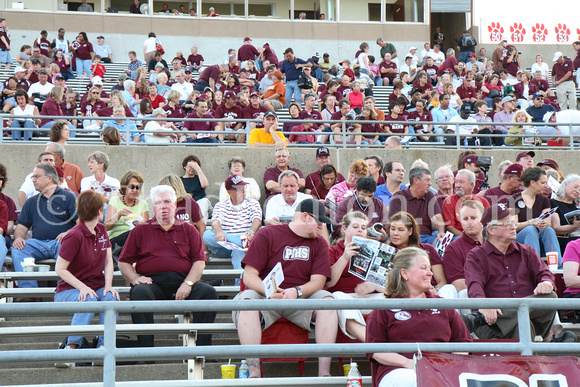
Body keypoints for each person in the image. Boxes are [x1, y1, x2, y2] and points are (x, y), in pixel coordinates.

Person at [233, 198, 337, 378]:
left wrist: (296, 291)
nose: (321, 227)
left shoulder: (319, 242)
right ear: (305, 216)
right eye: (319, 222)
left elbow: (319, 281)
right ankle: (254, 373)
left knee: (328, 302)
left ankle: (324, 374)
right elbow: (249, 276)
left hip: (301, 299)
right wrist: (268, 291)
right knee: (247, 303)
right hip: (266, 297)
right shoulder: (268, 233)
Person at [119, 185, 218, 347]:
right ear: (153, 207)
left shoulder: (189, 230)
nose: (163, 206)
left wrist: (188, 283)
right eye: (158, 203)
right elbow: (123, 262)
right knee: (139, 293)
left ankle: (203, 350)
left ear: (175, 205)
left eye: (167, 202)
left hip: (183, 282)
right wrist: (135, 278)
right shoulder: (140, 230)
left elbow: (199, 262)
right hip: (152, 284)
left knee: (209, 293)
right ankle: (146, 352)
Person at [366, 246, 472, 387]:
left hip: (441, 370)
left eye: (430, 268)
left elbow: (463, 342)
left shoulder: (443, 305)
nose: (430, 274)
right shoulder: (384, 310)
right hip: (399, 371)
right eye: (423, 268)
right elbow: (375, 350)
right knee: (414, 381)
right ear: (405, 274)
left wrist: (447, 364)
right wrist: (410, 363)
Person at [465, 203, 558, 340]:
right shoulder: (476, 256)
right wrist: (483, 305)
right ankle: (533, 361)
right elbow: (474, 285)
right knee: (522, 323)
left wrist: (546, 281)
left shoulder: (527, 251)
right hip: (491, 323)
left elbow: (545, 273)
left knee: (551, 297)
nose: (513, 227)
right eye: (507, 224)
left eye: (513, 222)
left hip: (502, 319)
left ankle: (480, 319)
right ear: (491, 230)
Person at [54, 190, 118, 367]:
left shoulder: (102, 229)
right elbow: (60, 268)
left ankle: (103, 349)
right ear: (99, 212)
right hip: (68, 291)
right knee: (88, 298)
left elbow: (108, 262)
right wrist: (82, 288)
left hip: (96, 287)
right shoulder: (74, 235)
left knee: (112, 298)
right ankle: (71, 349)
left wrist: (109, 286)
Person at [12, 164, 78, 289]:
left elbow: (82, 223)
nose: (33, 180)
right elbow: (21, 227)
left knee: (67, 245)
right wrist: (19, 237)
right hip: (38, 243)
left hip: (62, 243)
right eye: (32, 177)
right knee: (18, 248)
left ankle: (63, 290)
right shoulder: (31, 202)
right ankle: (29, 292)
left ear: (50, 178)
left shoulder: (69, 197)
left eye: (37, 176)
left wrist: (69, 233)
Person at [327, 211, 385, 341]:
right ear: (344, 229)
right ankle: (374, 343)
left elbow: (390, 288)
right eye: (355, 227)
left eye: (363, 228)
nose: (360, 230)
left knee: (394, 299)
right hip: (344, 298)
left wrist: (373, 285)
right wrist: (345, 257)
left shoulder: (376, 251)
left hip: (369, 299)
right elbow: (329, 283)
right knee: (337, 298)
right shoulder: (333, 251)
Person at [203, 175, 261, 274]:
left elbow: (257, 219)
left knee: (238, 251)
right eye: (239, 189)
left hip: (244, 246)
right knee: (207, 235)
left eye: (244, 188)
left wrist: (251, 231)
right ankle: (240, 242)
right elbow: (215, 221)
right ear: (229, 192)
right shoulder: (221, 205)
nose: (243, 191)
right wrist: (219, 232)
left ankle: (239, 286)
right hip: (224, 246)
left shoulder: (252, 203)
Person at [389, 167, 445, 245]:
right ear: (416, 180)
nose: (430, 183)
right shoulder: (398, 197)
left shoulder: (429, 195)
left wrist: (441, 232)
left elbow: (437, 216)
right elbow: (394, 221)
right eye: (427, 180)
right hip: (405, 237)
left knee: (446, 242)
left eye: (430, 180)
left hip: (425, 238)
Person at [443, 200, 485, 302]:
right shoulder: (452, 249)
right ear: (461, 221)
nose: (469, 222)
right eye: (465, 219)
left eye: (473, 218)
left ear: (483, 219)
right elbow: (458, 284)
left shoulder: (496, 243)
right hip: (474, 299)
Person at [104, 170, 149, 251]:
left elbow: (146, 230)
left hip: (136, 241)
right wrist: (118, 214)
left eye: (137, 187)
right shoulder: (115, 200)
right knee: (132, 234)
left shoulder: (143, 204)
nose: (135, 190)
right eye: (132, 187)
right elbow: (106, 227)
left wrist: (139, 224)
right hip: (116, 242)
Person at [443, 169, 490, 237]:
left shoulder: (483, 202)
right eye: (456, 182)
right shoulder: (449, 201)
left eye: (461, 182)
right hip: (459, 237)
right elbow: (449, 227)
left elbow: (489, 223)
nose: (457, 185)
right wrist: (467, 238)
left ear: (471, 184)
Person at [180, 155, 211, 221]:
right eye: (190, 166)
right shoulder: (179, 180)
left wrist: (198, 169)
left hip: (201, 205)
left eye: (194, 166)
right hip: (187, 207)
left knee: (204, 201)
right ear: (185, 166)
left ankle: (200, 227)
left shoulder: (199, 178)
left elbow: (205, 185)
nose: (192, 168)